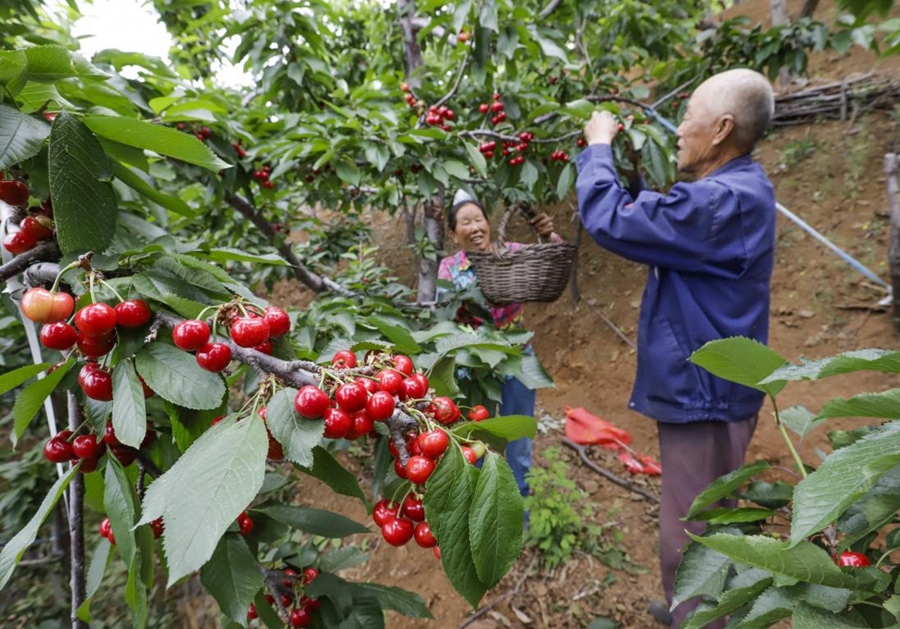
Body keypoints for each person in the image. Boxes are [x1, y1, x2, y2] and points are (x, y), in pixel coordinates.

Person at [575, 69, 776, 629]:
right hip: (713, 390)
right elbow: (663, 223)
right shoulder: (734, 192)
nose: (680, 128)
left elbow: (613, 220)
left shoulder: (720, 203)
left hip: (707, 396)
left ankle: (699, 619)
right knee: (703, 526)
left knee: (691, 539)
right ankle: (695, 611)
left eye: (690, 116)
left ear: (721, 129)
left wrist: (596, 151)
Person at [437, 192, 556, 498]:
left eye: (479, 219)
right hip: (473, 369)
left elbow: (550, 258)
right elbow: (444, 314)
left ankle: (520, 512)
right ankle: (480, 506)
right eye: (466, 222)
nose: (475, 227)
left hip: (516, 357)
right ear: (453, 233)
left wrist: (547, 235)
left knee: (518, 442)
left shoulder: (511, 253)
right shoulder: (449, 269)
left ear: (489, 224)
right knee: (475, 440)